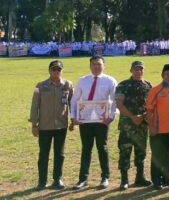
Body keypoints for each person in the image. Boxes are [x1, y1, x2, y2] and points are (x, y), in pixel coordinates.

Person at [70, 55, 118, 190]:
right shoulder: (82, 80)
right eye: (94, 64)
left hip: (102, 121)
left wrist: (112, 116)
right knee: (86, 149)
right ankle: (82, 179)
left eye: (99, 64)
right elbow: (74, 100)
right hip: (85, 121)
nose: (96, 67)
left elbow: (115, 101)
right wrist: (73, 117)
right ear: (90, 66)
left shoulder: (110, 81)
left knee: (102, 148)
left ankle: (105, 178)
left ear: (104, 65)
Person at [29, 60, 73, 190]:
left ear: (62, 71)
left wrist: (74, 120)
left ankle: (57, 179)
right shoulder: (40, 86)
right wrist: (34, 124)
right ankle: (42, 181)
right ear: (49, 71)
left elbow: (73, 104)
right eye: (53, 69)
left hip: (61, 126)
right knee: (43, 154)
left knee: (60, 154)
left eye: (58, 69)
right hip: (44, 126)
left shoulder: (68, 85)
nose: (56, 72)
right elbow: (34, 106)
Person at [115, 61, 153, 190]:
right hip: (127, 125)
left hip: (142, 125)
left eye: (141, 69)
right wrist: (132, 117)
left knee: (141, 151)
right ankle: (124, 179)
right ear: (131, 70)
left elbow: (151, 105)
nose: (139, 72)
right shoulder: (123, 85)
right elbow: (119, 104)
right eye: (136, 69)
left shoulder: (148, 86)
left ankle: (140, 177)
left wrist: (141, 117)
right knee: (125, 151)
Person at [146, 64, 169, 190]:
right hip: (158, 130)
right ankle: (156, 181)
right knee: (158, 157)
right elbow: (149, 111)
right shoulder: (155, 90)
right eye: (167, 74)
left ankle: (167, 178)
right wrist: (152, 127)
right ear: (162, 75)